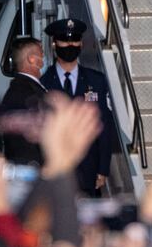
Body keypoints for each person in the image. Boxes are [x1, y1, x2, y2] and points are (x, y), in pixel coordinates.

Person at [40, 18, 112, 195]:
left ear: (81, 44)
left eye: (74, 40)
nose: (70, 45)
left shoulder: (97, 80)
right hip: (56, 170)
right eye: (64, 40)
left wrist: (103, 168)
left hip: (89, 170)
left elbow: (104, 126)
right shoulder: (42, 83)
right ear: (54, 44)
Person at [0, 37, 47, 166]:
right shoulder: (28, 94)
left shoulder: (19, 89)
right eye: (42, 54)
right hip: (33, 168)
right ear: (32, 59)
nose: (44, 58)